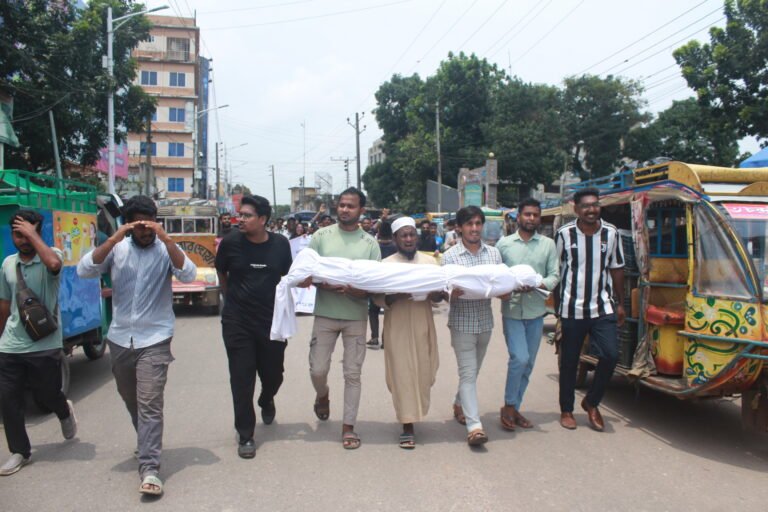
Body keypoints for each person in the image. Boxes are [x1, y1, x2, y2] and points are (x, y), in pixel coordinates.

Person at [77, 195, 197, 496]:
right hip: (120, 338)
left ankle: (150, 468)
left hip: (155, 337)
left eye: (149, 224)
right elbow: (85, 270)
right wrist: (115, 237)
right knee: (131, 399)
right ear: (130, 225)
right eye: (138, 225)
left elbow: (188, 273)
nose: (145, 231)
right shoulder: (117, 249)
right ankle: (146, 441)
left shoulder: (165, 248)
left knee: (150, 404)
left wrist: (167, 239)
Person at [299, 187, 381, 450]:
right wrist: (323, 283)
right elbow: (305, 272)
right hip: (325, 314)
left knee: (352, 374)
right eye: (342, 205)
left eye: (351, 206)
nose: (345, 210)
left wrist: (363, 292)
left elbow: (377, 281)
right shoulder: (320, 237)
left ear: (361, 211)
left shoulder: (370, 244)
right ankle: (322, 395)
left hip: (355, 316)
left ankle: (348, 427)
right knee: (318, 369)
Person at [215, 195, 292, 459]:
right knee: (241, 377)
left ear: (263, 220)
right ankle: (246, 434)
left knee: (274, 374)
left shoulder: (281, 245)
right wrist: (231, 300)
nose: (241, 219)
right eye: (240, 215)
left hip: (272, 323)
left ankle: (266, 397)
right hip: (237, 322)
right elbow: (221, 272)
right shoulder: (230, 242)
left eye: (247, 215)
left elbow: (287, 277)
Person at [0, 210, 75, 477]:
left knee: (47, 394)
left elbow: (54, 265)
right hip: (11, 345)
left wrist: (33, 234)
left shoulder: (50, 255)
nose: (21, 239)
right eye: (16, 234)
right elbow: (5, 304)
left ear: (38, 232)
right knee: (8, 400)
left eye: (27, 233)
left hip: (44, 343)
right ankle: (20, 451)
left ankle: (63, 411)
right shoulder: (8, 264)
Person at [554, 188, 625, 431]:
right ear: (577, 209)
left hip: (603, 306)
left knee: (611, 355)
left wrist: (621, 303)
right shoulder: (564, 235)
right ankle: (566, 409)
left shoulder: (612, 233)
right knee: (569, 362)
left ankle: (592, 402)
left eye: (595, 205)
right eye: (585, 206)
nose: (591, 210)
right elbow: (556, 271)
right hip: (572, 308)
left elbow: (617, 268)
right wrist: (557, 308)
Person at [373, 217, 442, 449]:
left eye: (412, 234)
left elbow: (440, 294)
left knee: (425, 370)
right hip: (398, 325)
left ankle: (414, 413)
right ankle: (407, 424)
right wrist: (399, 293)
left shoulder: (430, 262)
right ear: (395, 239)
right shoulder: (386, 265)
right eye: (404, 235)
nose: (409, 239)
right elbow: (377, 298)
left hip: (423, 323)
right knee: (402, 373)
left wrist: (433, 292)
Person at [495, 198, 559, 431]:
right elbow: (496, 275)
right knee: (519, 358)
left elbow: (555, 275)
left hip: (536, 310)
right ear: (518, 217)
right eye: (527, 214)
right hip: (512, 310)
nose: (531, 218)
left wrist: (539, 282)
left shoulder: (548, 245)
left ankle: (514, 407)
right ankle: (509, 407)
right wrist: (507, 287)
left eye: (535, 215)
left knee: (529, 363)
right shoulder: (504, 245)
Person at [442, 205, 502, 447]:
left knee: (473, 372)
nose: (475, 228)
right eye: (469, 224)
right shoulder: (449, 257)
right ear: (460, 227)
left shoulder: (494, 255)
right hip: (461, 322)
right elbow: (442, 292)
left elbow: (499, 283)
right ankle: (474, 427)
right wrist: (451, 294)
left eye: (478, 223)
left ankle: (459, 403)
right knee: (468, 373)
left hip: (485, 321)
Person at [366, 220, 397, 349]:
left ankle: (374, 337)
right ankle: (386, 339)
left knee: (373, 311)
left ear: (378, 233)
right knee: (390, 312)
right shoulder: (396, 248)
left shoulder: (373, 246)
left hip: (376, 284)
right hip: (391, 284)